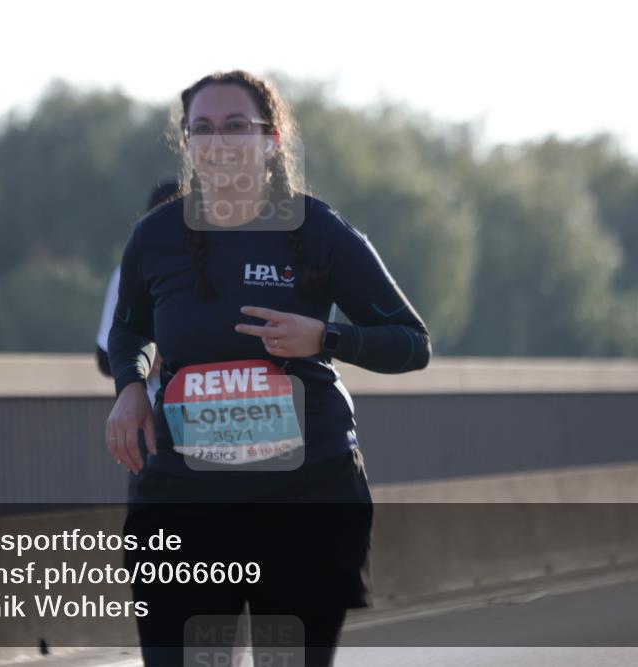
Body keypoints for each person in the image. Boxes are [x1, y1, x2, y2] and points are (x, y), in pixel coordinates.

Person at [105, 70, 431, 666]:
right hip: (184, 499)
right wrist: (130, 385)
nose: (218, 140)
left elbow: (412, 344)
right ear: (186, 142)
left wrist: (323, 337)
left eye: (237, 125)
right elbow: (129, 327)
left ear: (271, 139)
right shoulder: (155, 237)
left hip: (303, 498)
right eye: (201, 127)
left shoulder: (318, 231)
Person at [96, 181, 180, 405]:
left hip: (231, 417)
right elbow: (106, 357)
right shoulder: (129, 270)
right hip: (154, 413)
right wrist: (147, 359)